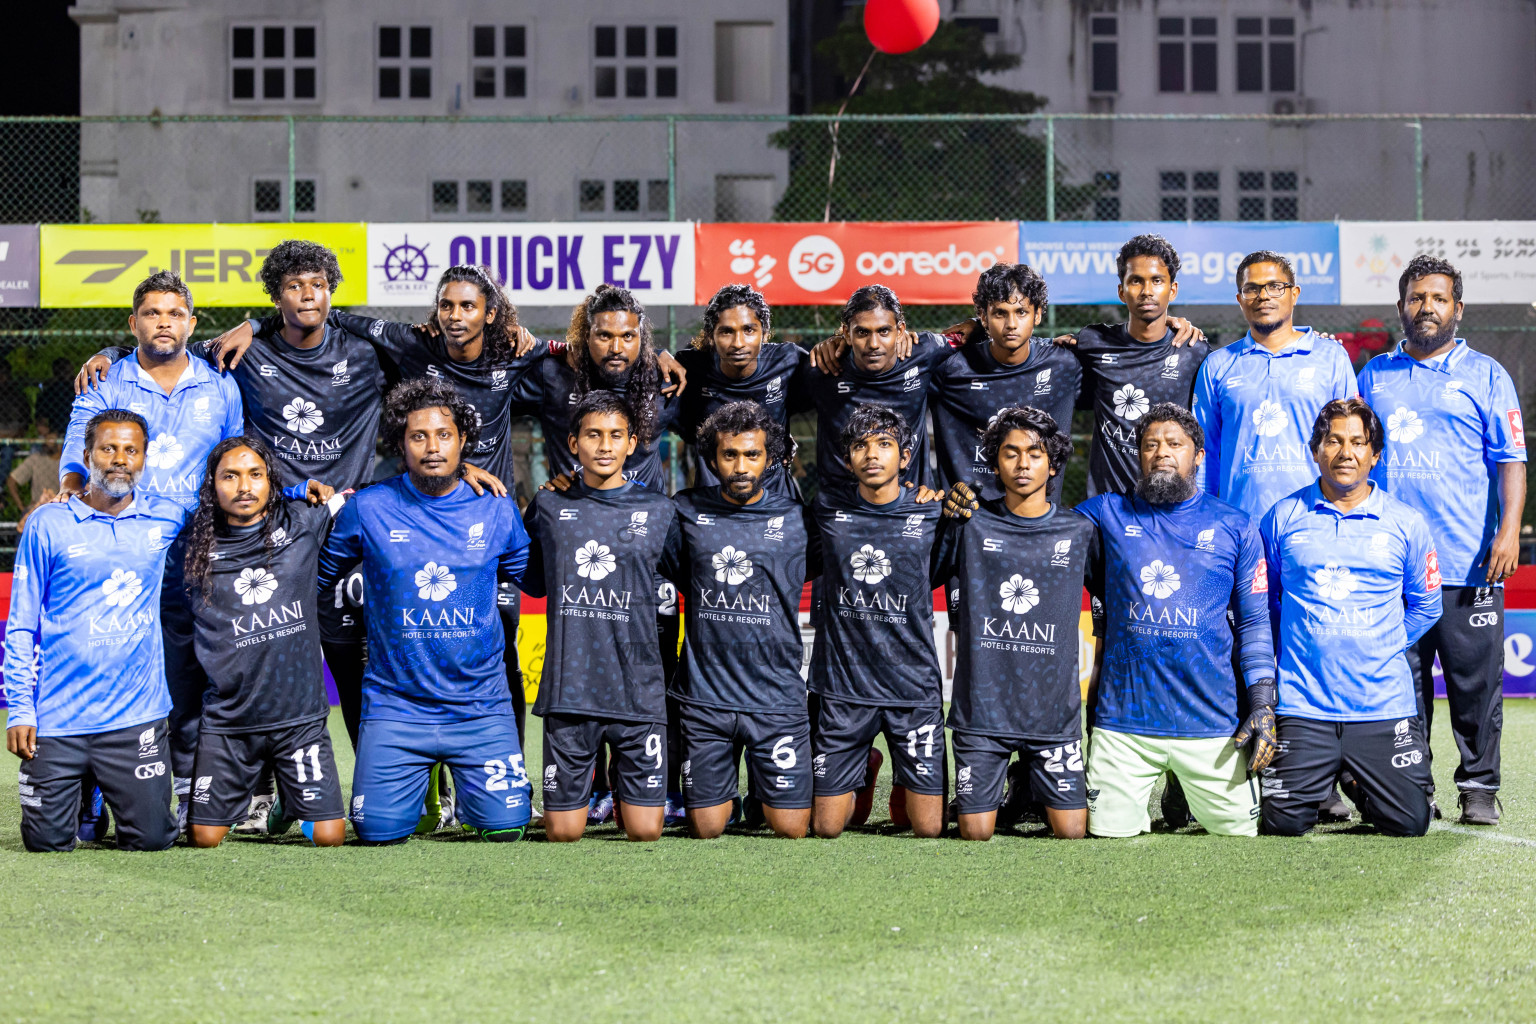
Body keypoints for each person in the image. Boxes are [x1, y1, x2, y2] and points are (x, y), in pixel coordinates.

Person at [317, 378, 534, 844]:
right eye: (419, 436)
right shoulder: (368, 508)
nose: (432, 447)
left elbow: (529, 577)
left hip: (479, 707)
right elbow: (317, 575)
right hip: (396, 707)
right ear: (400, 442)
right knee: (376, 832)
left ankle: (490, 786)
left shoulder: (495, 509)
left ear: (462, 442)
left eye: (444, 435)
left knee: (506, 829)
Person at [62, 272, 244, 821]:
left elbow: (234, 456)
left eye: (174, 313)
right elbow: (77, 450)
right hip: (120, 552)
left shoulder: (220, 385)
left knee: (191, 672)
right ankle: (92, 793)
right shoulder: (105, 381)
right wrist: (70, 497)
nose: (163, 322)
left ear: (191, 323)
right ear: (132, 323)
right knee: (113, 662)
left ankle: (191, 790)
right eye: (151, 313)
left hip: (195, 553)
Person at [1358, 254, 1526, 826]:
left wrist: (1508, 534)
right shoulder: (1373, 375)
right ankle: (1414, 787)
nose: (1425, 308)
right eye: (1415, 298)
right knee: (1400, 687)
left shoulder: (1486, 374)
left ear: (1458, 308)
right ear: (1401, 307)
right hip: (1391, 567)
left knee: (1475, 685)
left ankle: (1479, 787)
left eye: (1437, 298)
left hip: (1468, 563)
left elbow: (1511, 463)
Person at [1193, 249, 1359, 822]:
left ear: (1293, 293)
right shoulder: (1218, 366)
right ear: (1239, 298)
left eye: (1274, 285)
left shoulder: (1332, 358)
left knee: (1310, 647)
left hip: (1313, 530)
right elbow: (1203, 455)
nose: (1263, 295)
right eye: (1252, 288)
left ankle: (1321, 775)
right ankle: (1238, 772)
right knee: (1241, 650)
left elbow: (1352, 445)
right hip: (1238, 532)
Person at [1076, 402, 1275, 838]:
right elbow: (1034, 524)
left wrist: (1261, 701)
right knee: (1106, 839)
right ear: (1138, 455)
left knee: (1240, 839)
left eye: (1174, 443)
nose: (1161, 452)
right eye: (1150, 445)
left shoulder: (1235, 526)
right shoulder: (1105, 513)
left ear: (1198, 455)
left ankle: (1182, 790)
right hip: (1123, 726)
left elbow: (1255, 623)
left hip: (1211, 726)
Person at [1259, 399, 1442, 837]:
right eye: (1334, 441)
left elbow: (1427, 605)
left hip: (1382, 705)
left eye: (1358, 443)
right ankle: (1333, 771)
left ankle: (1362, 781)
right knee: (1281, 823)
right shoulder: (1283, 517)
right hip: (1304, 706)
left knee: (1410, 824)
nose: (1346, 453)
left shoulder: (1407, 523)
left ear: (1374, 455)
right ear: (1315, 449)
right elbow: (1268, 602)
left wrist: (1383, 643)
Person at [5, 409, 186, 851]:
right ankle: (87, 786)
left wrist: (303, 492)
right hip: (59, 718)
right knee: (46, 844)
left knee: (152, 840)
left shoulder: (166, 517)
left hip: (135, 717)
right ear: (87, 456)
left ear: (144, 459)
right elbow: (22, 624)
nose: (120, 459)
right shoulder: (48, 524)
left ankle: (103, 784)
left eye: (131, 450)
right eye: (108, 449)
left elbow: (243, 505)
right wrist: (21, 711)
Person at [521, 392, 681, 843]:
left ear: (633, 443)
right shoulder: (549, 507)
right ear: (574, 442)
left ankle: (623, 785)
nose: (605, 445)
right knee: (564, 833)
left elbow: (684, 577)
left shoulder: (659, 511)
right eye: (593, 435)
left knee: (646, 831)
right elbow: (533, 582)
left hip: (639, 691)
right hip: (572, 691)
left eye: (616, 435)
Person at [934, 407, 1093, 840]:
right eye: (1011, 453)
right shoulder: (970, 521)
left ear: (1054, 464)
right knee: (975, 832)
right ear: (994, 461)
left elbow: (1108, 591)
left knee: (1072, 832)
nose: (1023, 464)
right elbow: (928, 573)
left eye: (1035, 454)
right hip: (983, 713)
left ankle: (1027, 782)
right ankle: (1008, 784)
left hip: (1052, 717)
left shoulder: (1079, 530)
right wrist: (940, 511)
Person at [178, 437, 345, 847]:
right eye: (230, 476)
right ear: (212, 486)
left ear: (271, 481)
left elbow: (360, 498)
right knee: (203, 837)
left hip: (298, 719)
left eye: (256, 475)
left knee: (329, 837)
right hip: (230, 721)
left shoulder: (303, 521)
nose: (244, 486)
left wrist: (463, 470)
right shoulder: (191, 546)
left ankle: (288, 801)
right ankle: (273, 796)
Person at [667, 401, 816, 839]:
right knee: (707, 829)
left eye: (752, 454)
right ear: (713, 459)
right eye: (729, 455)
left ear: (769, 458)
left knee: (791, 829)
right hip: (706, 698)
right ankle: (731, 794)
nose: (740, 465)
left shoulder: (797, 519)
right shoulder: (685, 510)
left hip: (776, 696)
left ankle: (764, 795)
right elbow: (672, 567)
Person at [809, 404, 945, 839]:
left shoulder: (930, 512)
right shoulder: (827, 507)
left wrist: (950, 495)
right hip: (845, 687)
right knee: (826, 828)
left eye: (884, 444)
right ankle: (864, 769)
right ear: (847, 458)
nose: (872, 454)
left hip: (912, 685)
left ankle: (907, 778)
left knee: (927, 829)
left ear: (905, 457)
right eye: (860, 446)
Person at [1069, 234, 1212, 499]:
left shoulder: (1195, 351)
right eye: (1136, 281)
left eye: (1157, 280)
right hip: (1109, 507)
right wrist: (976, 327)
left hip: (1170, 505)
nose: (1147, 291)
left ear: (1173, 289)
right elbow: (1026, 346)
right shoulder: (1093, 341)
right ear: (1122, 291)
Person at [929, 264, 1081, 501]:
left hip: (1038, 521)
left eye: (1021, 312)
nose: (1011, 324)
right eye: (1000, 313)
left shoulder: (1065, 364)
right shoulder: (951, 368)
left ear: (1038, 314)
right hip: (968, 519)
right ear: (983, 316)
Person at [802, 285, 956, 503]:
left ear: (900, 330)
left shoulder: (925, 351)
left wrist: (975, 324)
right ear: (846, 333)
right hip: (841, 508)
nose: (873, 344)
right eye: (862, 332)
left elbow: (974, 339)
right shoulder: (823, 367)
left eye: (884, 331)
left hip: (912, 502)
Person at [675, 284, 810, 500]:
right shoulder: (690, 367)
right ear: (711, 336)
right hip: (714, 497)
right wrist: (658, 354)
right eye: (727, 331)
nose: (738, 343)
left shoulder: (789, 361)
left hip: (775, 495)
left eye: (749, 330)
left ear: (764, 333)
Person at [7, 427, 61, 510]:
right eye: (46, 437)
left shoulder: (67, 461)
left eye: (51, 438)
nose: (48, 441)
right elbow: (11, 481)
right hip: (38, 507)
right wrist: (22, 508)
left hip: (61, 507)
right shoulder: (36, 458)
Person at [36, 357, 77, 436]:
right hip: (55, 433)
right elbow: (41, 422)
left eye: (67, 372)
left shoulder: (81, 392)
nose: (64, 375)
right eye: (61, 372)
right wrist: (50, 435)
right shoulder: (49, 393)